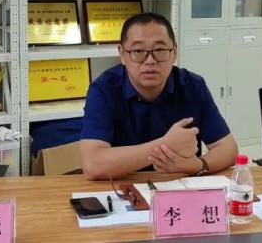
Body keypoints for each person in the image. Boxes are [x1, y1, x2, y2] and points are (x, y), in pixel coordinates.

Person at [80, 12, 238, 180]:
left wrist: (198, 166)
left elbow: (228, 148)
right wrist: (166, 144)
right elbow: (92, 165)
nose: (150, 61)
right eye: (138, 51)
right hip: (123, 186)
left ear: (174, 52)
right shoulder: (103, 90)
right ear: (122, 54)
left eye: (160, 50)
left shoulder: (193, 86)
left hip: (179, 185)